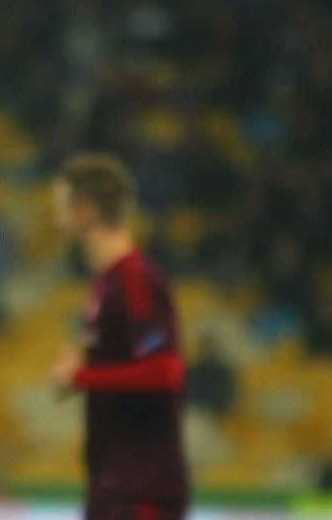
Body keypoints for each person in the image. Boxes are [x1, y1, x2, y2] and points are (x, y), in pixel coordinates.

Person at [50, 153, 189, 520]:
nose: (58, 220)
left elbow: (165, 372)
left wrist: (80, 377)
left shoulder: (134, 278)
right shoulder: (109, 283)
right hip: (115, 486)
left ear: (84, 211)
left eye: (63, 208)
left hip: (140, 490)